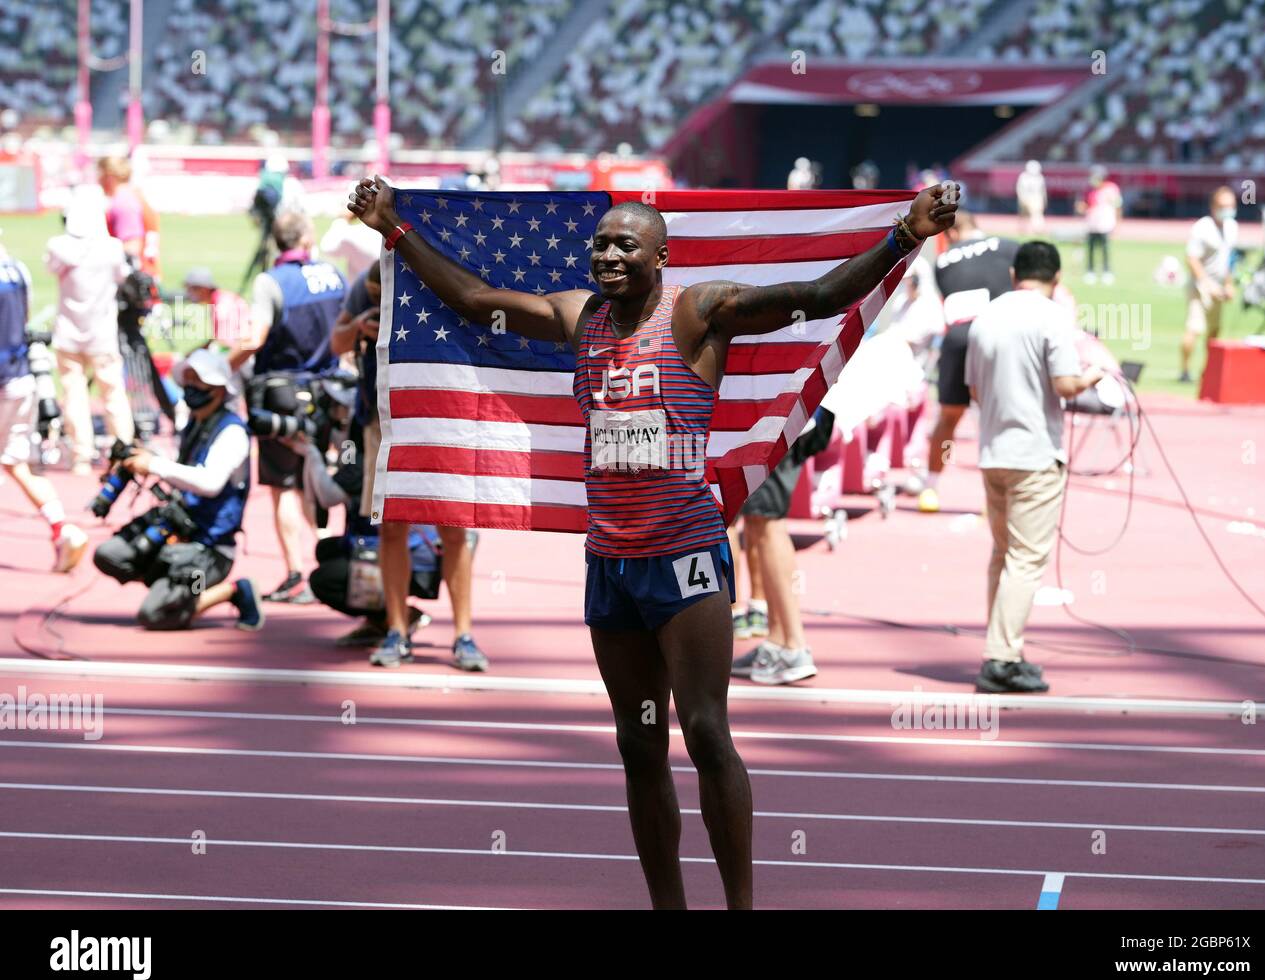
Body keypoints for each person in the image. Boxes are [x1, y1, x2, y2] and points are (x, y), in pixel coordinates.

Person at [347, 174, 959, 909]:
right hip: (611, 561)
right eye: (601, 244)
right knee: (639, 745)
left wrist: (906, 236)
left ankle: (739, 905)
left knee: (704, 731)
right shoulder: (581, 318)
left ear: (661, 258)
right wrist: (395, 231)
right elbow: (478, 303)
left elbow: (820, 297)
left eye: (624, 246)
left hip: (685, 555)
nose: (606, 256)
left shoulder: (698, 314)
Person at [329, 261, 489, 669]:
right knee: (391, 527)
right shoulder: (369, 278)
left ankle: (464, 635)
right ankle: (396, 630)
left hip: (443, 417)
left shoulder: (443, 273)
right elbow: (336, 342)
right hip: (384, 421)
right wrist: (361, 329)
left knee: (454, 528)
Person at [964, 242, 1103, 694]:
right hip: (1034, 455)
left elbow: (974, 390)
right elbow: (1065, 384)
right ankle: (1001, 658)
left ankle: (1005, 647)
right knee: (1025, 560)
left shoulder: (986, 316)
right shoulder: (1052, 317)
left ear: (1013, 274)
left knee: (1003, 556)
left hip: (993, 453)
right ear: (1056, 279)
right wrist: (1093, 376)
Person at [92, 348, 263, 631]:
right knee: (110, 554)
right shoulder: (193, 423)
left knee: (155, 615)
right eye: (189, 381)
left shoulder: (232, 432)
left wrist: (155, 464)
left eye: (200, 382)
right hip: (175, 532)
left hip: (209, 551)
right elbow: (179, 469)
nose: (192, 388)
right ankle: (170, 587)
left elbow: (210, 483)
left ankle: (232, 590)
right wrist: (141, 458)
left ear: (219, 389)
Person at [229, 211, 346, 602]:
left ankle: (296, 572)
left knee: (285, 487)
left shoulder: (270, 282)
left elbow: (255, 337)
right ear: (308, 238)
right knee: (318, 480)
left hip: (282, 392)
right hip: (328, 390)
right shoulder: (334, 275)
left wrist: (219, 367)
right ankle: (332, 561)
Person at [296, 412, 437, 647]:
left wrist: (310, 452)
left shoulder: (365, 459)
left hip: (416, 559)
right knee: (327, 550)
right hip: (386, 549)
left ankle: (399, 615)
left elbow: (326, 496)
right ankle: (379, 620)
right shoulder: (353, 455)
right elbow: (317, 494)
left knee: (324, 579)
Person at [919, 211, 1018, 514]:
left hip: (959, 340)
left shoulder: (944, 262)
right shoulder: (1009, 247)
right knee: (995, 420)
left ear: (949, 234)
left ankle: (931, 487)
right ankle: (996, 497)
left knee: (949, 418)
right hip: (998, 338)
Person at [729, 407, 835, 686]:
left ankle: (793, 646)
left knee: (767, 522)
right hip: (772, 414)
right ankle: (777, 642)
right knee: (758, 521)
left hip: (777, 413)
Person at [0, 244, 88, 571]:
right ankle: (61, 528)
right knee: (16, 463)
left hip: (3, 380)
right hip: (22, 380)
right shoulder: (17, 269)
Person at [45, 185, 135, 475]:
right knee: (113, 395)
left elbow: (52, 268)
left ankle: (82, 456)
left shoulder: (58, 246)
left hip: (69, 332)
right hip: (101, 334)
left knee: (74, 395)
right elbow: (124, 276)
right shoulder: (111, 248)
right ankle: (123, 451)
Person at [1180, 187, 1239, 382]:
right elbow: (1191, 258)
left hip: (1219, 286)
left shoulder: (1232, 227)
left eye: (1230, 205)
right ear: (1213, 206)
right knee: (1195, 327)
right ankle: (1185, 371)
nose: (1227, 210)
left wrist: (1229, 284)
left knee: (1214, 331)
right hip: (1200, 286)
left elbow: (1229, 259)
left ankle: (1208, 370)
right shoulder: (1202, 228)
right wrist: (1206, 283)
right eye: (1223, 206)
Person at [98, 156, 161, 278]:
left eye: (99, 175)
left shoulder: (123, 202)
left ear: (109, 177)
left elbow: (131, 248)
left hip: (135, 281)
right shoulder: (134, 195)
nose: (98, 180)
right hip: (145, 275)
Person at [183, 267, 251, 353]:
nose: (187, 293)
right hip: (237, 351)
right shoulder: (219, 300)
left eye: (190, 289)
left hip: (240, 355)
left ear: (203, 289)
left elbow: (225, 342)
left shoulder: (222, 305)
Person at [1076, 166, 1122, 285]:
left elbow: (1117, 206)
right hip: (1092, 224)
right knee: (1090, 248)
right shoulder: (1089, 190)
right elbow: (1083, 205)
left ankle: (1107, 271)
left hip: (1105, 224)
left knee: (1105, 249)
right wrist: (1081, 208)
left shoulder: (1111, 189)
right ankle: (1090, 271)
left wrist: (1117, 223)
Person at [1015, 160, 1047, 235]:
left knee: (1035, 214)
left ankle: (1037, 229)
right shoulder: (1036, 177)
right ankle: (1026, 229)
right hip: (1032, 198)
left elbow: (1019, 189)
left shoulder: (1025, 176)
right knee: (1032, 214)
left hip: (1032, 198)